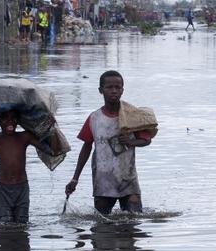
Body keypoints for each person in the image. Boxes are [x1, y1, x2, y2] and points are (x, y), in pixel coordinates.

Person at [65, 71, 153, 215]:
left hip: (128, 180)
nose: (114, 91)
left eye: (118, 87)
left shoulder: (131, 116)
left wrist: (131, 142)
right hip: (103, 181)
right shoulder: (94, 118)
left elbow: (146, 140)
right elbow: (86, 148)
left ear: (122, 90)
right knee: (102, 227)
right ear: (101, 90)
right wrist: (75, 179)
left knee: (132, 223)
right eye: (109, 87)